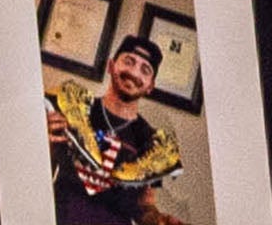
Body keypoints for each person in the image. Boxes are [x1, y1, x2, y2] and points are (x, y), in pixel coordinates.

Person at [45, 35, 187, 224]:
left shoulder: (154, 143)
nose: (135, 73)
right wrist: (41, 139)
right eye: (129, 62)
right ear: (111, 66)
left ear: (150, 86)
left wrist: (158, 219)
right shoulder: (72, 108)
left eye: (145, 70)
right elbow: (42, 167)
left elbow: (145, 205)